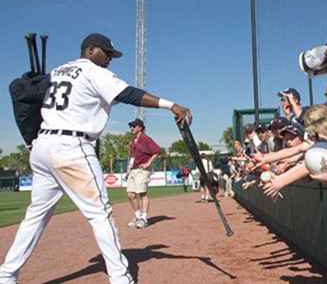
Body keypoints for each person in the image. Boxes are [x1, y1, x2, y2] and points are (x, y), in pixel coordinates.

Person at [0, 33, 191, 284]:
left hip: (42, 146)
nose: (110, 58)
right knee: (100, 214)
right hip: (72, 146)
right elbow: (128, 94)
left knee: (35, 216)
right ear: (90, 50)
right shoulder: (92, 70)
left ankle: (6, 274)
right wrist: (171, 105)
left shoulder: (57, 71)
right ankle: (120, 277)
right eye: (107, 53)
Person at [126, 118, 160, 229]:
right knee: (130, 195)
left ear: (140, 127)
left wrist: (148, 163)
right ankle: (137, 216)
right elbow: (132, 156)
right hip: (133, 170)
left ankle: (144, 218)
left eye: (133, 126)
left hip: (142, 170)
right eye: (131, 126)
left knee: (142, 193)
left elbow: (156, 151)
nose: (131, 128)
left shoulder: (145, 139)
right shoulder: (133, 140)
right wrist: (128, 169)